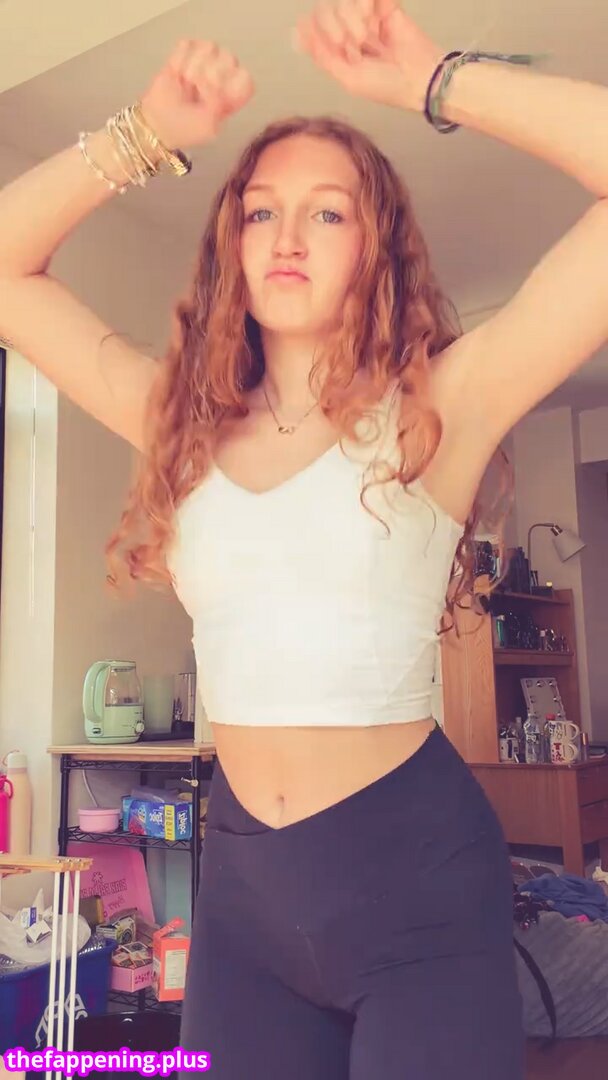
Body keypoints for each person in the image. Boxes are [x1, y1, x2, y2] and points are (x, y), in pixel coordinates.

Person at [1, 2, 607, 1076]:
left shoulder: (437, 409)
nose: (286, 236)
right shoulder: (175, 421)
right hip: (246, 894)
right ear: (231, 246)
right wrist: (143, 133)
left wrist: (434, 80)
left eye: (328, 213)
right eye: (261, 211)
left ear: (376, 249)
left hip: (419, 883)